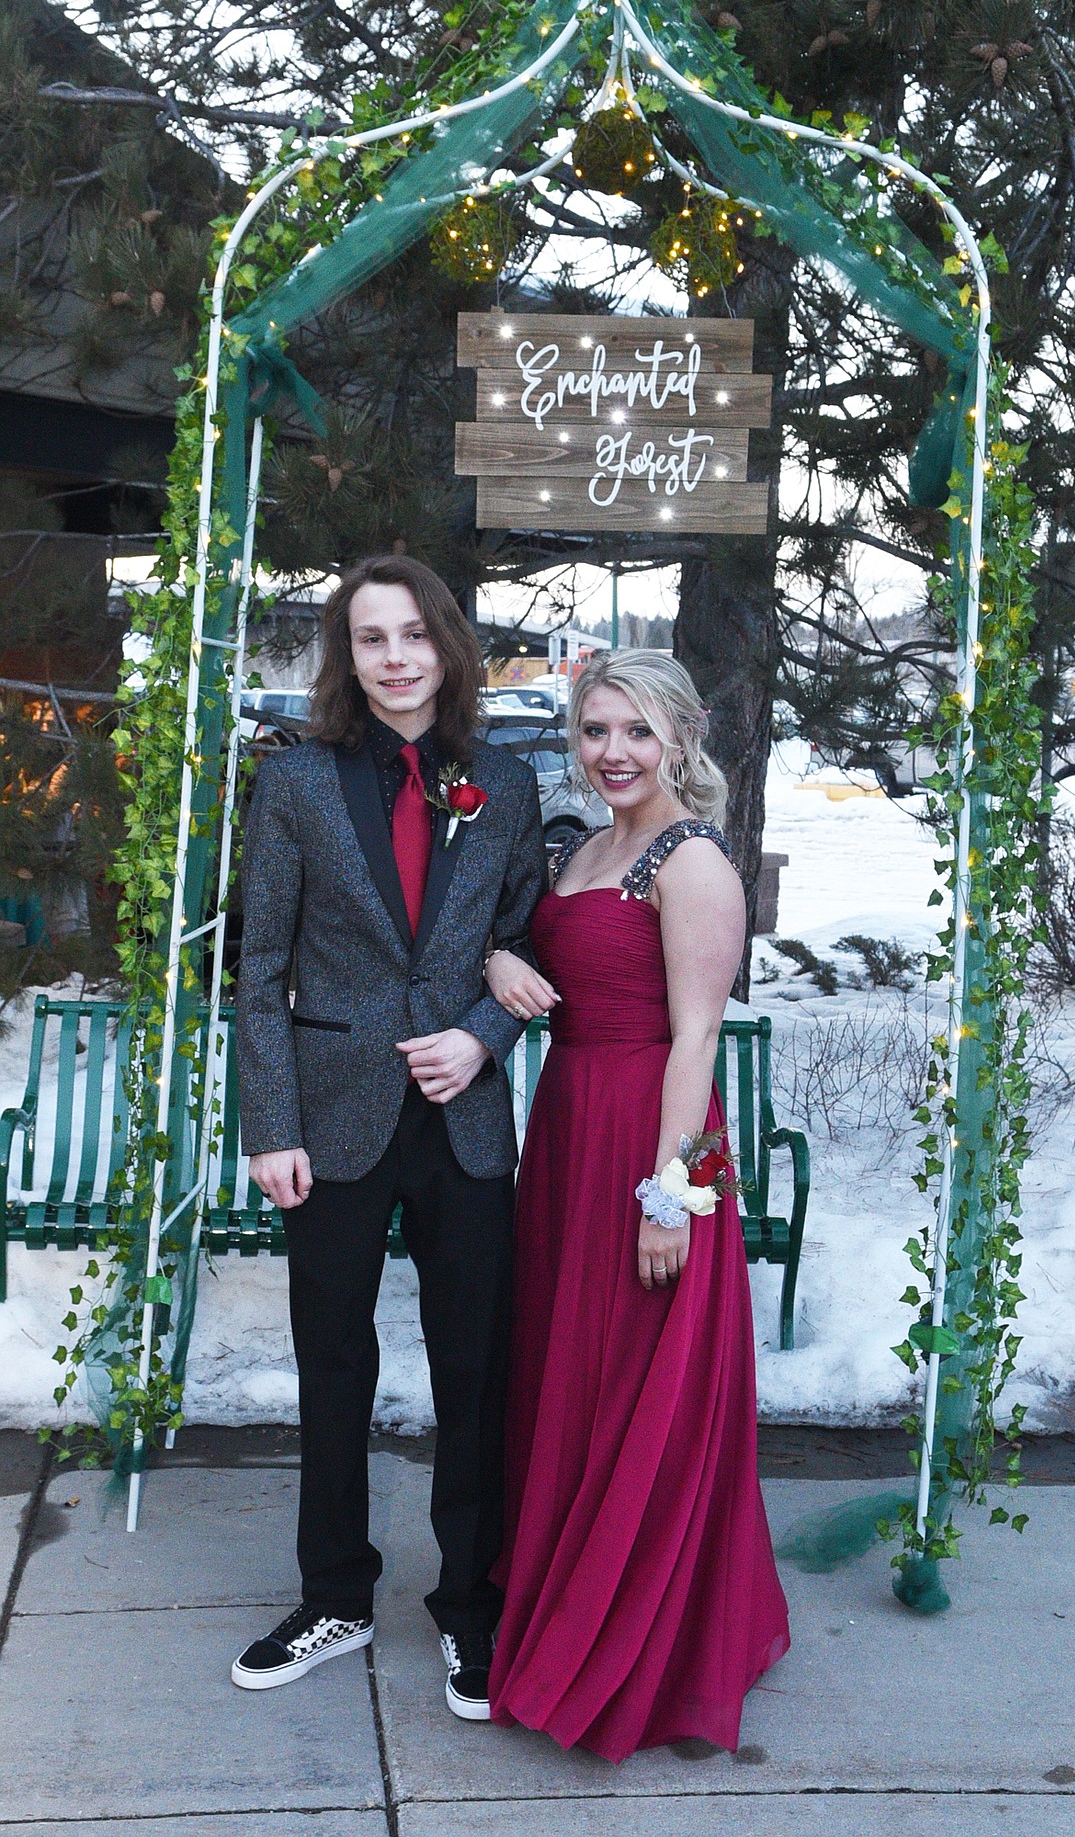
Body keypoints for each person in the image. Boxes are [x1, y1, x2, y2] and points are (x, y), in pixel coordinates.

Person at [230, 555, 547, 1716]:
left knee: (476, 1368)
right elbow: (259, 968)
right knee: (334, 1364)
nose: (398, 656)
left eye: (415, 634)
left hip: (463, 1119)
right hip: (333, 1120)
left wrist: (480, 1039)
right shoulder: (298, 784)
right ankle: (334, 1593)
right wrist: (270, 1125)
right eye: (373, 639)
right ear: (347, 657)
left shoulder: (505, 783)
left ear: (447, 645)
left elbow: (528, 946)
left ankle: (473, 1606)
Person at [483, 650, 789, 1762]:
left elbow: (696, 1036)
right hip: (570, 1123)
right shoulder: (581, 848)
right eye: (596, 729)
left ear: (681, 739)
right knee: (576, 1366)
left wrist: (673, 1192)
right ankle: (564, 1580)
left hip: (650, 1135)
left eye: (637, 733)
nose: (613, 751)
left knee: (639, 1381)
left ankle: (647, 1635)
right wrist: (494, 953)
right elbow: (526, 942)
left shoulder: (692, 859)